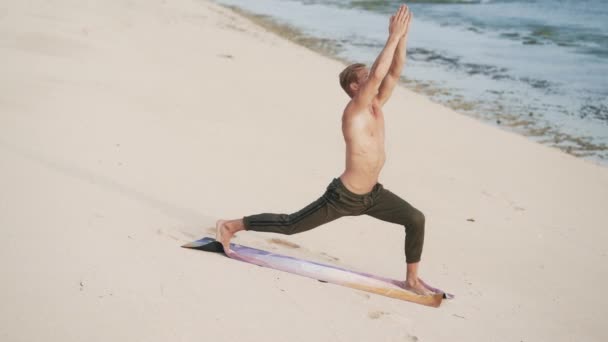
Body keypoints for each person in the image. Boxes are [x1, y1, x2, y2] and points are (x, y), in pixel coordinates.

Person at [216, 4, 432, 295]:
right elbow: (381, 74)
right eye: (366, 76)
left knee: (415, 218)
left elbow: (393, 72)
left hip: (373, 195)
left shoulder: (376, 106)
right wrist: (391, 37)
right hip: (344, 197)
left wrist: (403, 36)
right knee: (291, 224)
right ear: (355, 87)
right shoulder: (354, 111)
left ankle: (411, 279)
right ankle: (231, 225)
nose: (373, 78)